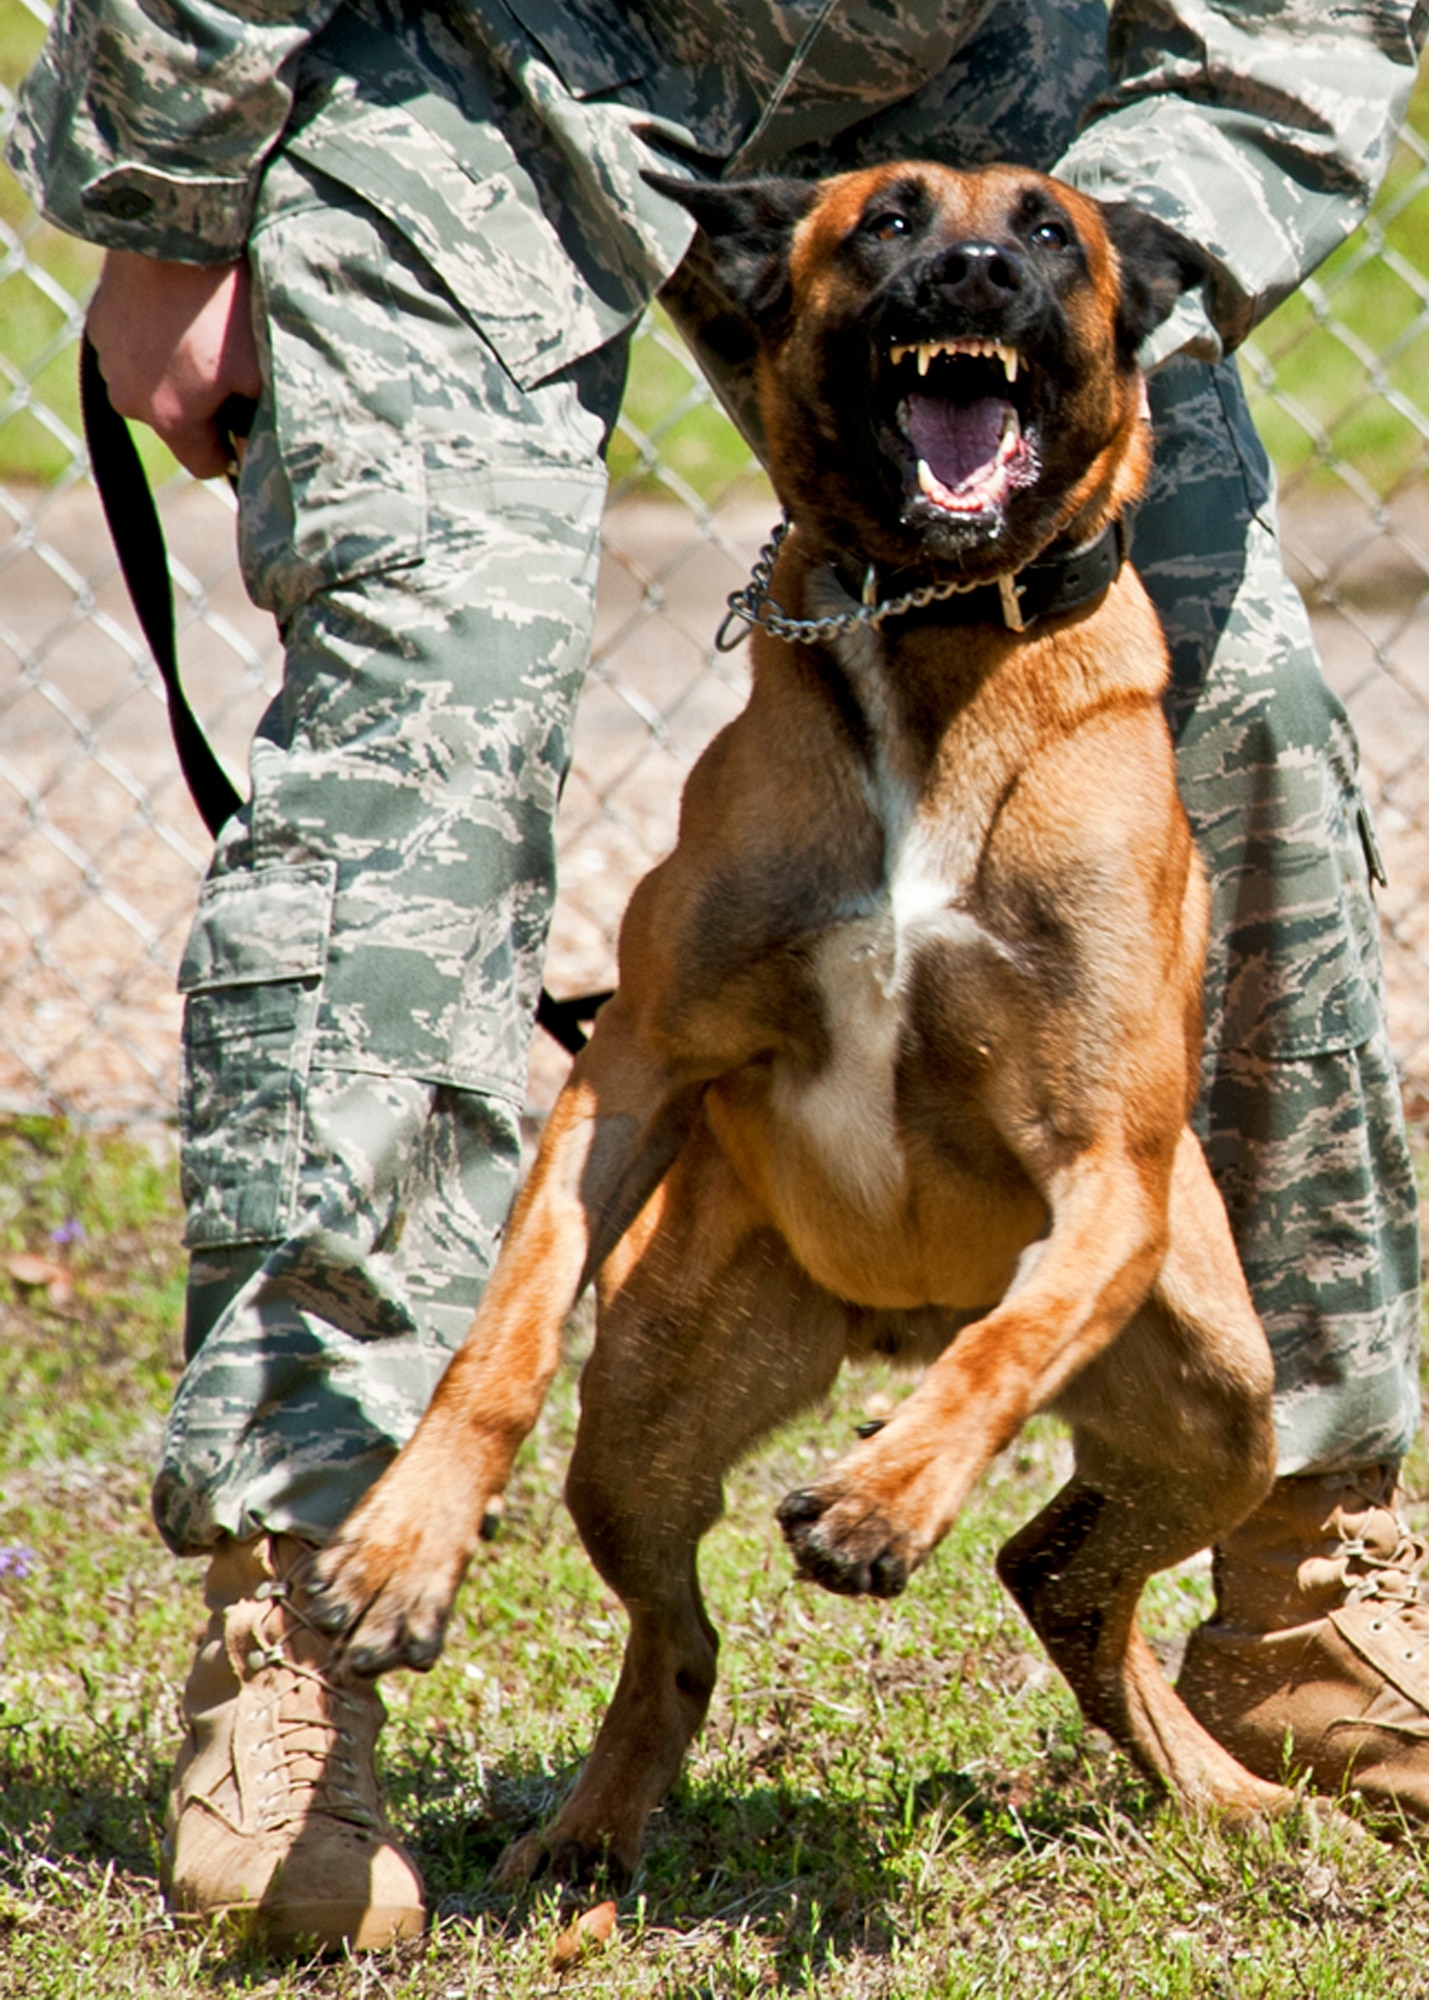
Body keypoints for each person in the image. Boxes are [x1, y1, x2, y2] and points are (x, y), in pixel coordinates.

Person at [10, 0, 1428, 1953]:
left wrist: (1108, 265)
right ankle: (302, 1612)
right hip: (494, 54)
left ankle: (1308, 1570)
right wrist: (170, 189)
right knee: (414, 739)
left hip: (974, 65)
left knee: (1242, 696)